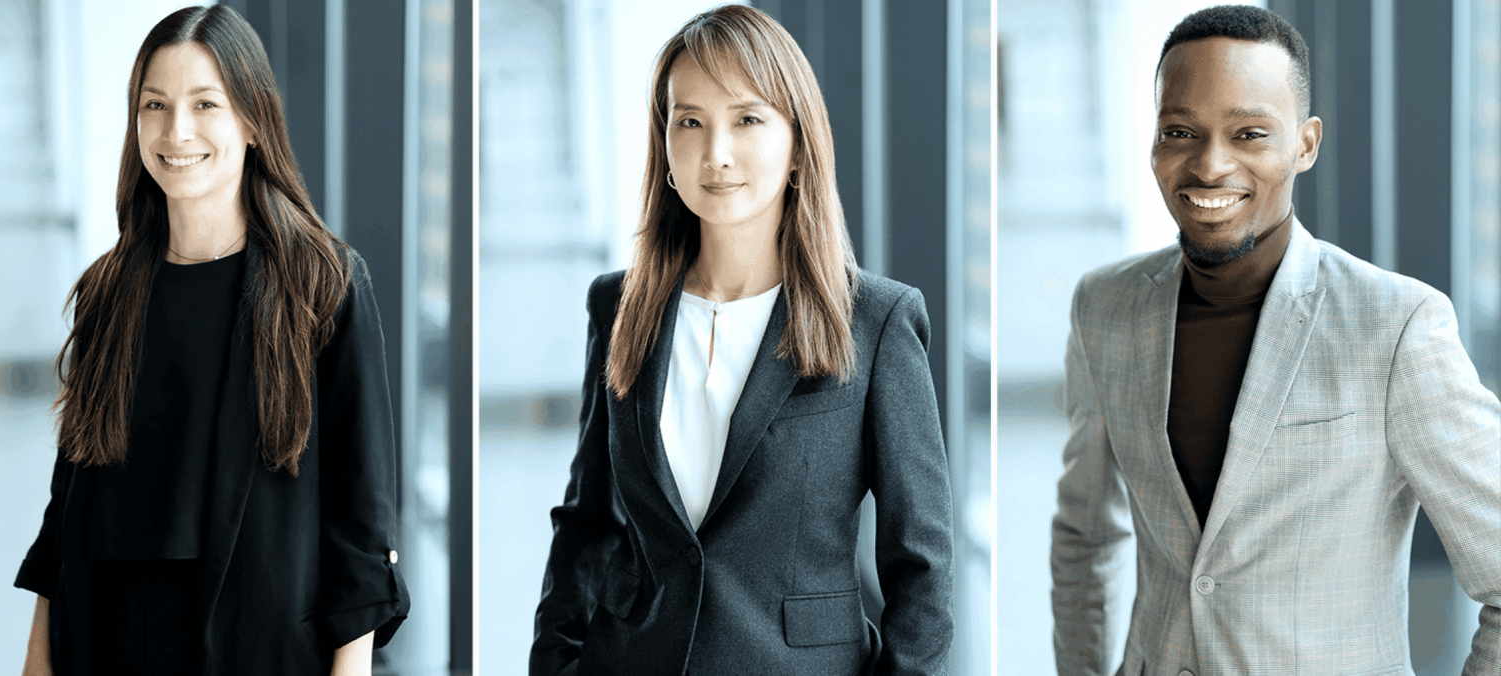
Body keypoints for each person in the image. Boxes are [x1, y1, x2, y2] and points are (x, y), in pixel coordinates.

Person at [1050, 5, 1501, 675]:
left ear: (1306, 144)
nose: (1209, 164)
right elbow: (1085, 535)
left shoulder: (1396, 326)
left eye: (1249, 133)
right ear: (1154, 142)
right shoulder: (1104, 306)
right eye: (1181, 130)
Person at [529, 6, 953, 675]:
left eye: (747, 119)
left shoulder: (876, 321)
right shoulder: (619, 306)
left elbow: (921, 567)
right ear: (664, 145)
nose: (715, 153)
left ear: (797, 142)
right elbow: (588, 521)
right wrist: (554, 664)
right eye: (689, 121)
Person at [16, 6, 408, 675]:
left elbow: (361, 527)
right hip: (106, 638)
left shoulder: (324, 286)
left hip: (257, 645)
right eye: (155, 105)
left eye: (206, 104)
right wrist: (36, 660)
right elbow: (68, 504)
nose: (177, 131)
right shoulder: (107, 292)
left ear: (253, 121)